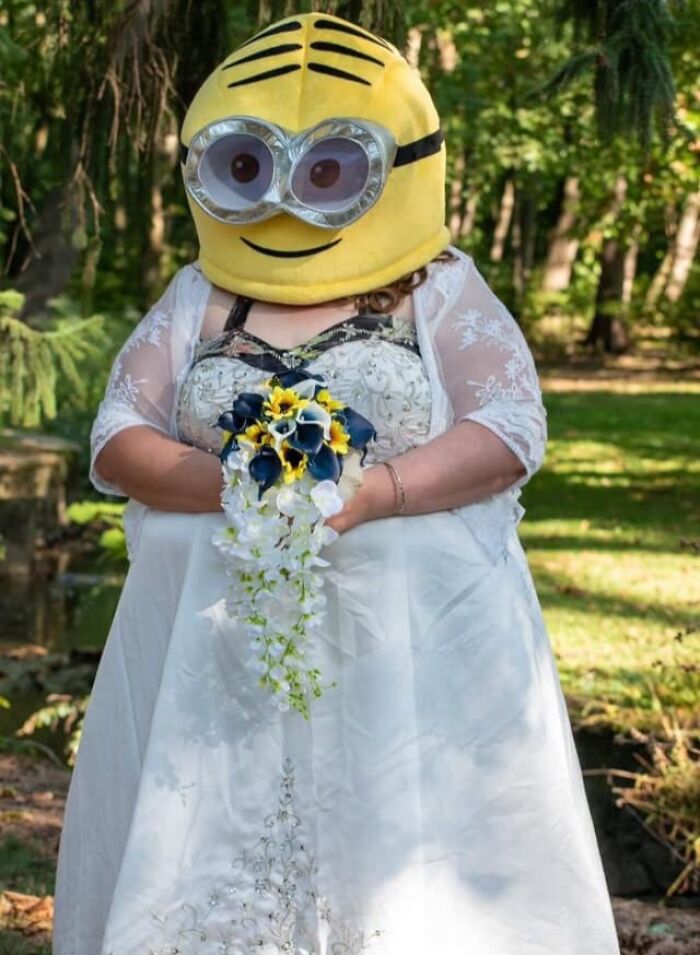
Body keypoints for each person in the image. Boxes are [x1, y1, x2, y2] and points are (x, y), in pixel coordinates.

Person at [52, 12, 621, 955]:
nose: (287, 196)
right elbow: (117, 436)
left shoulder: (439, 285)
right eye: (250, 166)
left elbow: (510, 426)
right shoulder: (200, 293)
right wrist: (242, 486)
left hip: (407, 646)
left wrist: (369, 493)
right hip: (215, 648)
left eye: (326, 169)